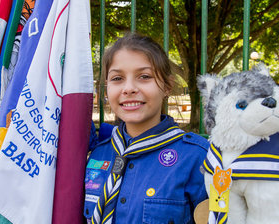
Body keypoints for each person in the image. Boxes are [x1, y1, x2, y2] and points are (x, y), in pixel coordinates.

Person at [84, 33, 209, 224]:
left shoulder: (198, 157)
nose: (129, 88)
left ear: (167, 86)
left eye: (144, 76)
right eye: (117, 78)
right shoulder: (99, 155)